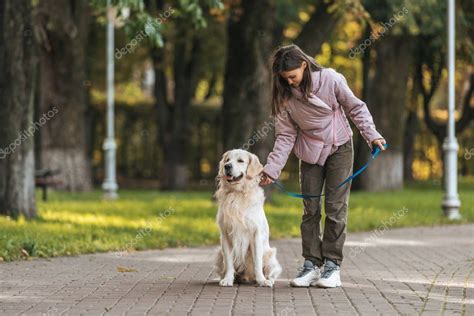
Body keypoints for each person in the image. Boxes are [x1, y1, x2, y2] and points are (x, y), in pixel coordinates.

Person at [259, 44, 386, 288]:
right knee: (310, 209)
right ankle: (311, 264)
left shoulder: (331, 79)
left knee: (335, 207)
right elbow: (285, 136)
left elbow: (355, 107)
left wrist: (372, 135)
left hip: (339, 146)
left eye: (293, 77)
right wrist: (271, 169)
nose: (291, 83)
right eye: (285, 79)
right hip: (309, 152)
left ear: (304, 65)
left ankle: (332, 265)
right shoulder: (285, 96)